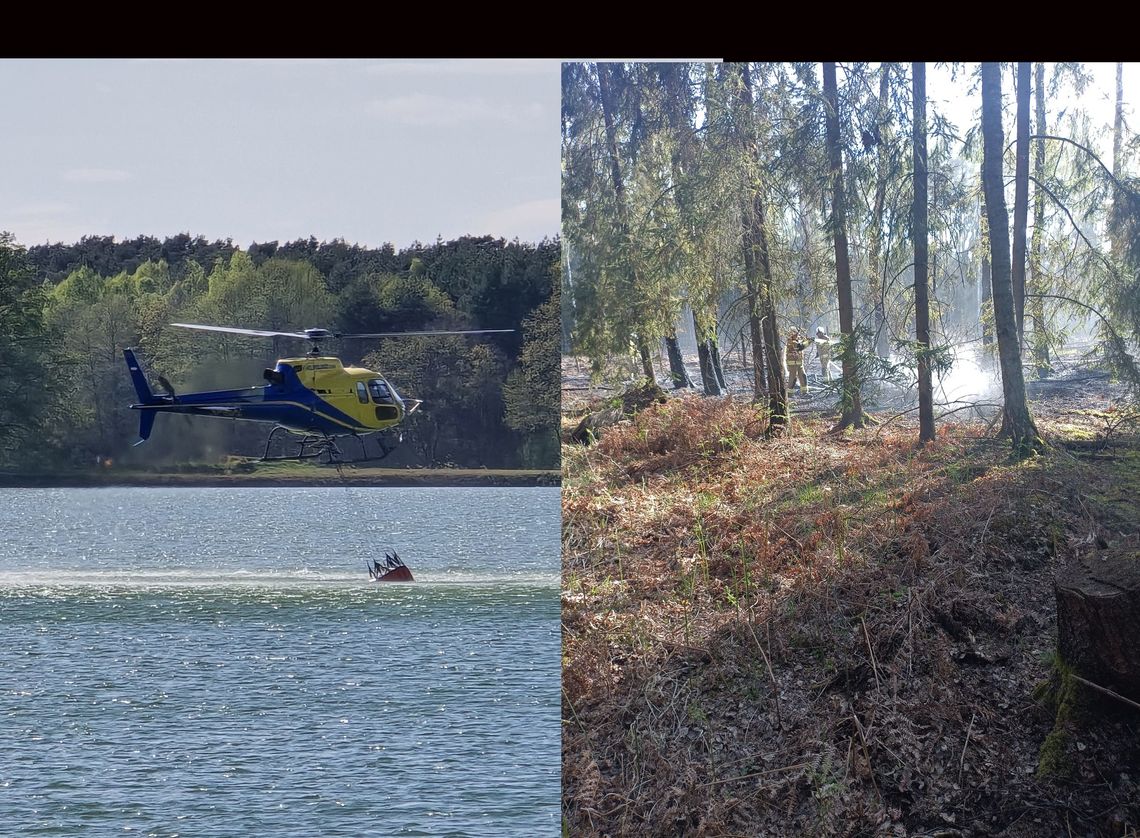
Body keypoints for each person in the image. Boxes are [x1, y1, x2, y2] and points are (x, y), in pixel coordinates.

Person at [785, 328, 809, 393]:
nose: (797, 335)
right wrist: (809, 341)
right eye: (796, 333)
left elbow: (801, 343)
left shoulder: (796, 340)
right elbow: (800, 347)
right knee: (793, 379)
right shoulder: (791, 342)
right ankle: (789, 393)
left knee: (803, 376)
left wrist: (806, 340)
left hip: (799, 364)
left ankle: (804, 392)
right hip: (793, 364)